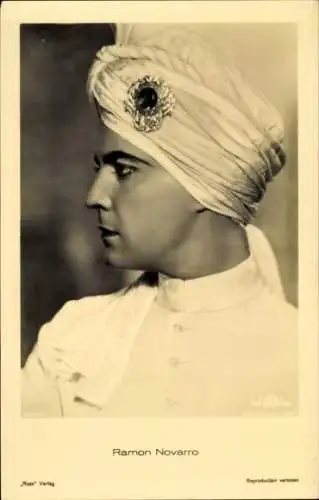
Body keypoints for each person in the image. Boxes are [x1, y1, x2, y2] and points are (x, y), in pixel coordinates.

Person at [21, 23, 298, 418]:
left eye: (125, 171)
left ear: (201, 184)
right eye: (101, 169)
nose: (94, 196)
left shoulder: (302, 355)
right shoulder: (71, 340)